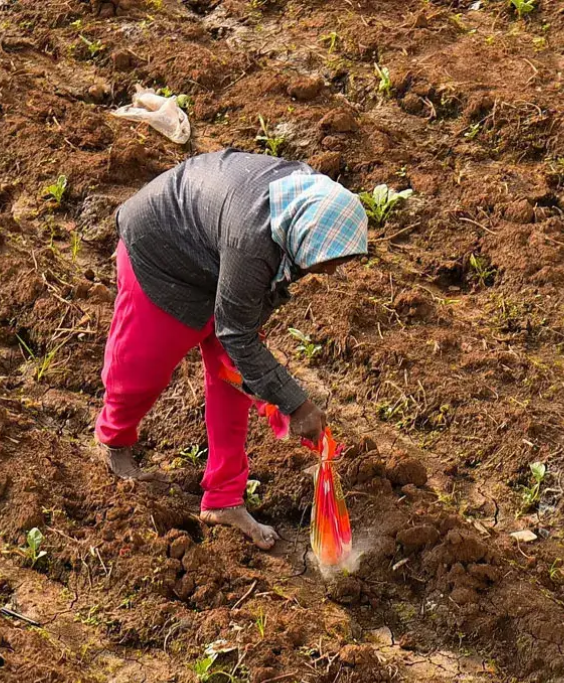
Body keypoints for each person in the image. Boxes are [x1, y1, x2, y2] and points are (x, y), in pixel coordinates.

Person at [94, 149, 369, 550]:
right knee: (142, 369)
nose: (327, 272)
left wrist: (276, 397)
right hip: (161, 253)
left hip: (215, 257)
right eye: (322, 263)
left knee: (234, 378)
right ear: (302, 237)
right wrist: (296, 404)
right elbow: (236, 331)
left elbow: (241, 330)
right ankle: (114, 439)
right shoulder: (254, 239)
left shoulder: (306, 203)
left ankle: (223, 499)